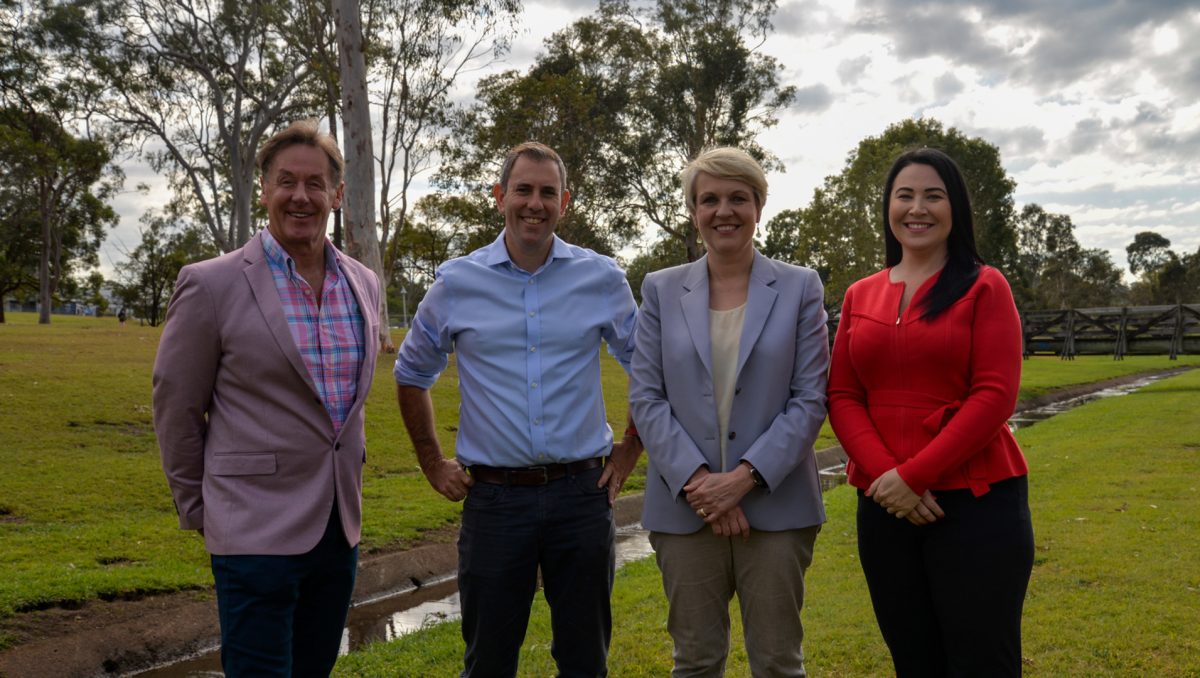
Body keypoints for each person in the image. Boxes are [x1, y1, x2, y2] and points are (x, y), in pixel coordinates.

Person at [393, 141, 642, 678]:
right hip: (495, 501)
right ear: (499, 195)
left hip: (581, 496)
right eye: (523, 190)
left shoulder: (601, 279)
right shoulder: (457, 282)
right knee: (487, 662)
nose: (535, 203)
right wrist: (432, 462)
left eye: (547, 192)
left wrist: (628, 451)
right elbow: (411, 374)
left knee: (584, 662)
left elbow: (649, 367)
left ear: (565, 202)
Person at [152, 119, 381, 677]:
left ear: (336, 194)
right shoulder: (211, 284)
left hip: (336, 530)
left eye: (314, 183)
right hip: (250, 530)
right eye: (286, 182)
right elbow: (176, 405)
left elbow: (347, 407)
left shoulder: (362, 282)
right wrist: (201, 508)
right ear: (264, 190)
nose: (300, 196)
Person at [827, 147, 1034, 677]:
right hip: (883, 507)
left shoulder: (985, 285)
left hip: (976, 506)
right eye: (905, 195)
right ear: (888, 207)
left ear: (954, 208)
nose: (917, 208)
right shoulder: (859, 295)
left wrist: (914, 476)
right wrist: (887, 479)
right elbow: (844, 395)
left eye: (933, 196)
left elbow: (994, 395)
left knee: (982, 662)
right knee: (914, 661)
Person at [629, 147, 829, 677]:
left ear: (759, 207)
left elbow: (810, 398)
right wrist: (703, 485)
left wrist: (743, 480)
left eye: (738, 198)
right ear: (694, 212)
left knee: (779, 663)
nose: (724, 211)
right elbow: (646, 398)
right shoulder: (660, 289)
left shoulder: (800, 286)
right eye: (709, 199)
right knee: (694, 661)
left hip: (777, 509)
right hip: (684, 510)